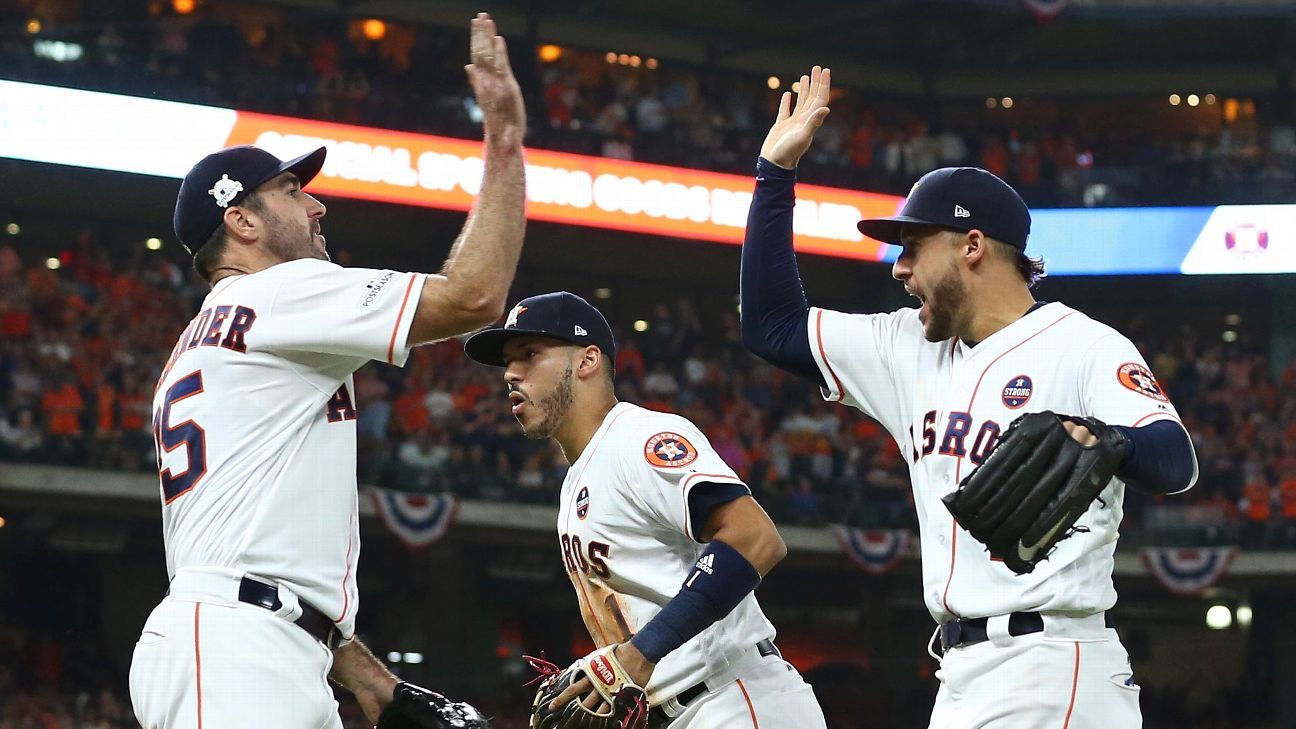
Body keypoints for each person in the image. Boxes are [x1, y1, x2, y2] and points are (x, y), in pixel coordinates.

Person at [740, 66, 1198, 728]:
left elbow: (1175, 459)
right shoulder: (907, 347)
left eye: (912, 246)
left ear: (973, 246)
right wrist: (773, 175)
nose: (898, 267)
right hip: (961, 673)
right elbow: (771, 327)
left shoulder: (1084, 345)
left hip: (1052, 661)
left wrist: (1105, 438)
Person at [128, 13, 525, 729]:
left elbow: (266, 561)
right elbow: (475, 296)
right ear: (242, 222)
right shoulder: (278, 290)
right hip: (238, 649)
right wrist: (504, 136)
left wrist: (375, 682)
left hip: (252, 639)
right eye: (291, 190)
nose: (316, 202)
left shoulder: (201, 337)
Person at [462, 292, 826, 728]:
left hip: (733, 698)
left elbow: (755, 537)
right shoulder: (578, 478)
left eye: (530, 354)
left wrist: (637, 655)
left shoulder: (641, 437)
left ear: (587, 360)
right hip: (682, 710)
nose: (510, 374)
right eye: (508, 360)